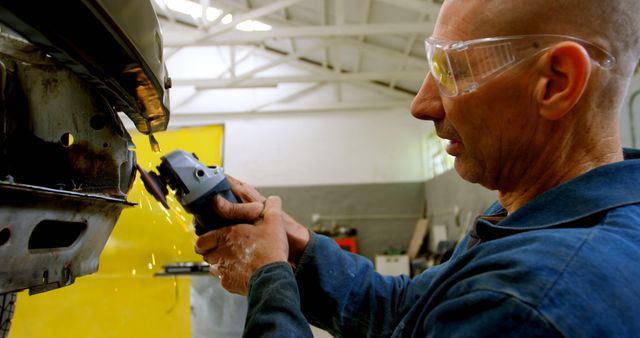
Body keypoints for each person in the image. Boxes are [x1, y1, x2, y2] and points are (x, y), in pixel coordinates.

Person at [195, 0, 640, 336]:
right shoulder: (541, 218)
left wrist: (267, 280)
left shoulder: (522, 303)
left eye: (452, 70)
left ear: (556, 83)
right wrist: (297, 251)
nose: (421, 105)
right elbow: (411, 306)